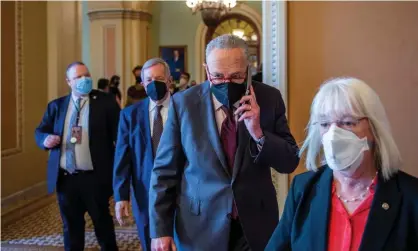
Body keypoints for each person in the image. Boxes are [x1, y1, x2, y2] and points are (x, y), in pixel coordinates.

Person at [149, 34, 299, 251]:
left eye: (236, 76)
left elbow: (289, 162)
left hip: (255, 224)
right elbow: (164, 171)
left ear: (248, 69)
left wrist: (258, 133)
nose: (226, 84)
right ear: (206, 70)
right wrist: (160, 230)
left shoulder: (269, 98)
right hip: (200, 225)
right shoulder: (184, 103)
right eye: (218, 76)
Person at [265, 77, 418, 251]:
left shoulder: (411, 197)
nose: (333, 133)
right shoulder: (303, 189)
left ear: (374, 129)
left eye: (347, 122)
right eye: (324, 124)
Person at [34, 61, 120, 251]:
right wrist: (45, 139)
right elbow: (40, 131)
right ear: (68, 81)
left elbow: (120, 137)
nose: (84, 79)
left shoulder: (105, 102)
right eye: (78, 77)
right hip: (66, 179)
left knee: (103, 226)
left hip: (95, 178)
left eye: (86, 75)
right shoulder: (56, 106)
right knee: (71, 229)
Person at [113, 58, 172, 251]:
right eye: (149, 80)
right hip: (144, 191)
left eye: (159, 78)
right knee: (149, 243)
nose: (154, 83)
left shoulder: (184, 108)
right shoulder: (130, 115)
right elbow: (122, 157)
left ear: (169, 80)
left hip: (182, 192)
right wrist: (121, 196)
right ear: (143, 84)